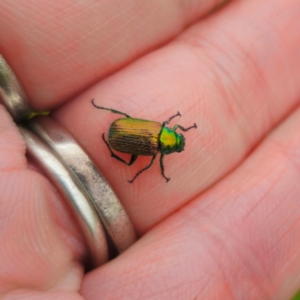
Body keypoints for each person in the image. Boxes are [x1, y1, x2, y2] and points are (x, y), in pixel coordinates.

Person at [1, 0, 300, 299]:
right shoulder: (159, 143)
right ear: (169, 135)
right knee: (134, 151)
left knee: (133, 145)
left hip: (124, 135)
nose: (177, 139)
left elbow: (155, 150)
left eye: (176, 139)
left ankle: (107, 126)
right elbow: (148, 164)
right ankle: (106, 122)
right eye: (176, 136)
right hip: (122, 134)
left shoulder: (162, 131)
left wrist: (168, 135)